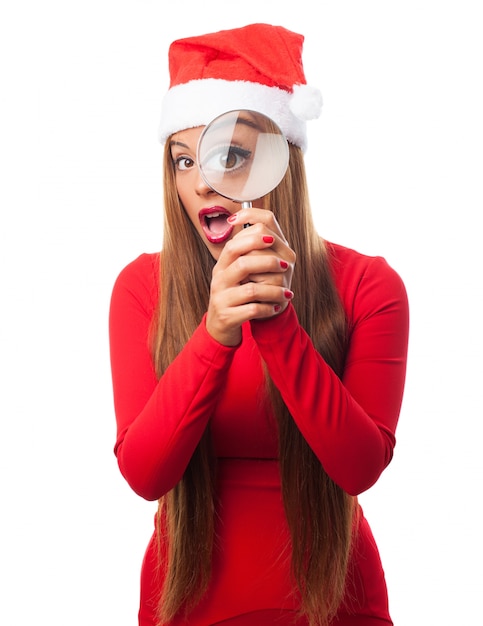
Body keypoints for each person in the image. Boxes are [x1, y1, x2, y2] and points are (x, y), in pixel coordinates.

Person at [109, 23, 409, 626]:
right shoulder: (142, 288)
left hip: (335, 605)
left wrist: (278, 325)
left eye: (229, 155)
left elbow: (359, 467)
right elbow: (144, 474)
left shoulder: (370, 287)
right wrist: (215, 331)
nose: (200, 182)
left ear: (280, 159)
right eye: (183, 159)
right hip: (186, 604)